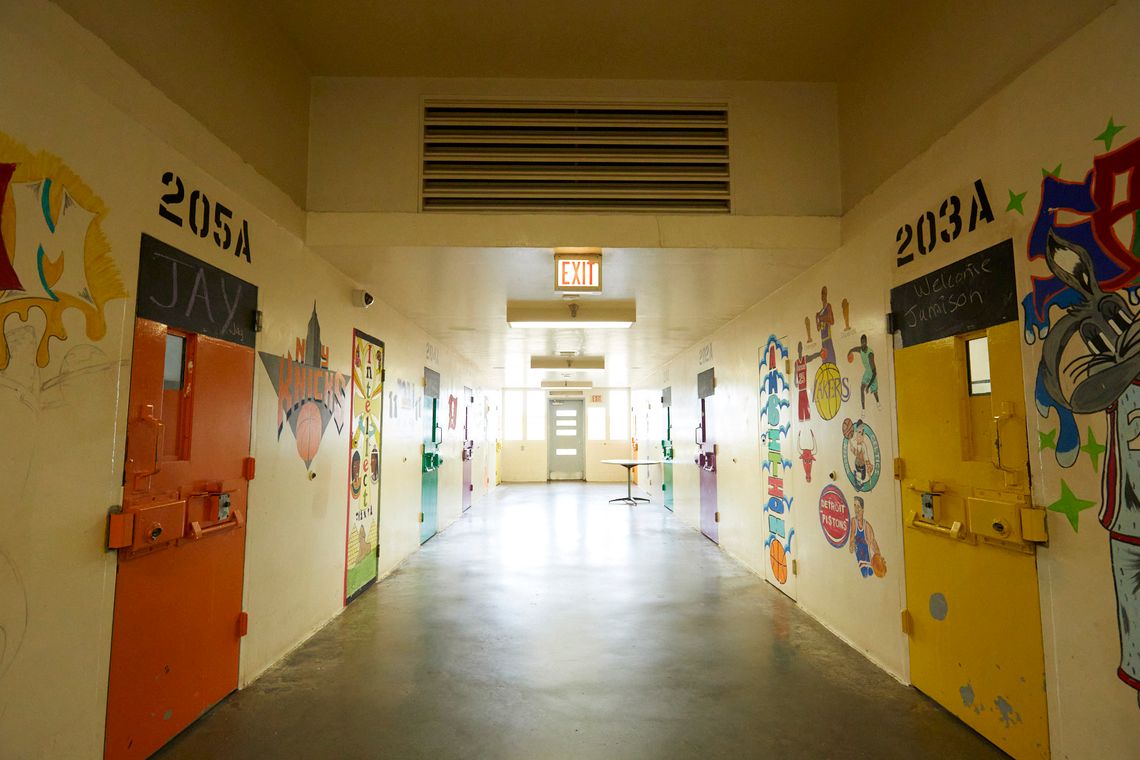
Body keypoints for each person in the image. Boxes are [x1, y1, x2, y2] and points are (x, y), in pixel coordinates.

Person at [849, 496, 880, 578]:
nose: (856, 509)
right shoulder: (853, 522)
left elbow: (873, 544)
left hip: (867, 562)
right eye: (854, 506)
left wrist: (879, 558)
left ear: (863, 509)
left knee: (869, 578)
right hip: (858, 562)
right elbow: (851, 543)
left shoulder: (867, 527)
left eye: (858, 506)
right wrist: (851, 545)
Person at [847, 334, 879, 409]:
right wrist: (849, 352)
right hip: (867, 372)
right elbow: (854, 349)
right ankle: (863, 409)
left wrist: (868, 386)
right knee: (861, 388)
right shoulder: (860, 349)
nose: (863, 344)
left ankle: (878, 403)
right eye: (862, 342)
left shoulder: (870, 355)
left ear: (866, 342)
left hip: (872, 373)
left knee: (874, 392)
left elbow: (874, 372)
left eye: (864, 342)